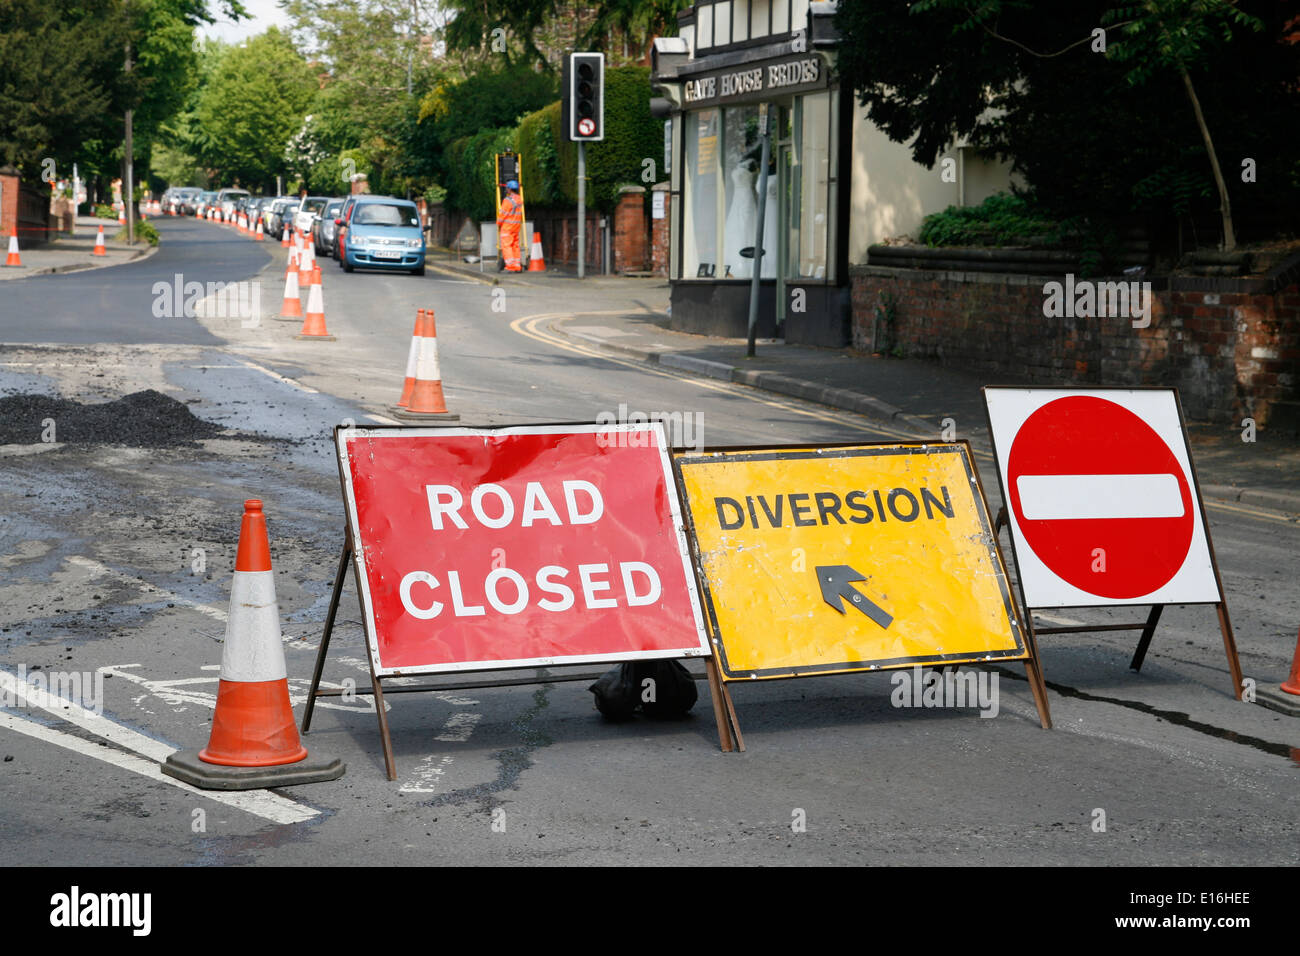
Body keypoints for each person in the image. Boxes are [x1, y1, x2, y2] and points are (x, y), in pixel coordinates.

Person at [496, 179, 523, 272]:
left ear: (510, 189)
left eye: (507, 188)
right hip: (516, 228)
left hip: (507, 228)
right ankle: (517, 265)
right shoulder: (519, 199)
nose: (506, 189)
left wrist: (498, 224)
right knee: (515, 246)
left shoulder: (507, 201)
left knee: (507, 246)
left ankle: (510, 266)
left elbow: (502, 215)